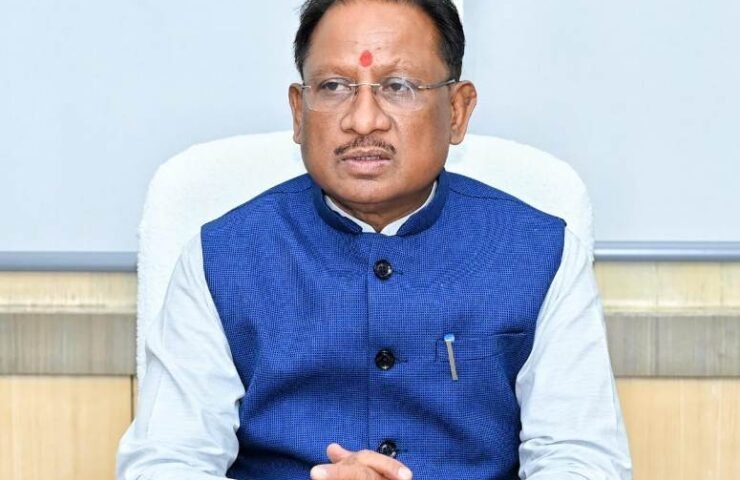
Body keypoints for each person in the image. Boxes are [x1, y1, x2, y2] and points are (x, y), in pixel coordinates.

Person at [117, 1, 632, 479]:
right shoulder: (221, 257)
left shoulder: (541, 253)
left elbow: (582, 461)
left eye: (398, 86)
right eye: (334, 86)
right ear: (299, 111)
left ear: (457, 111)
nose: (364, 120)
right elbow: (166, 463)